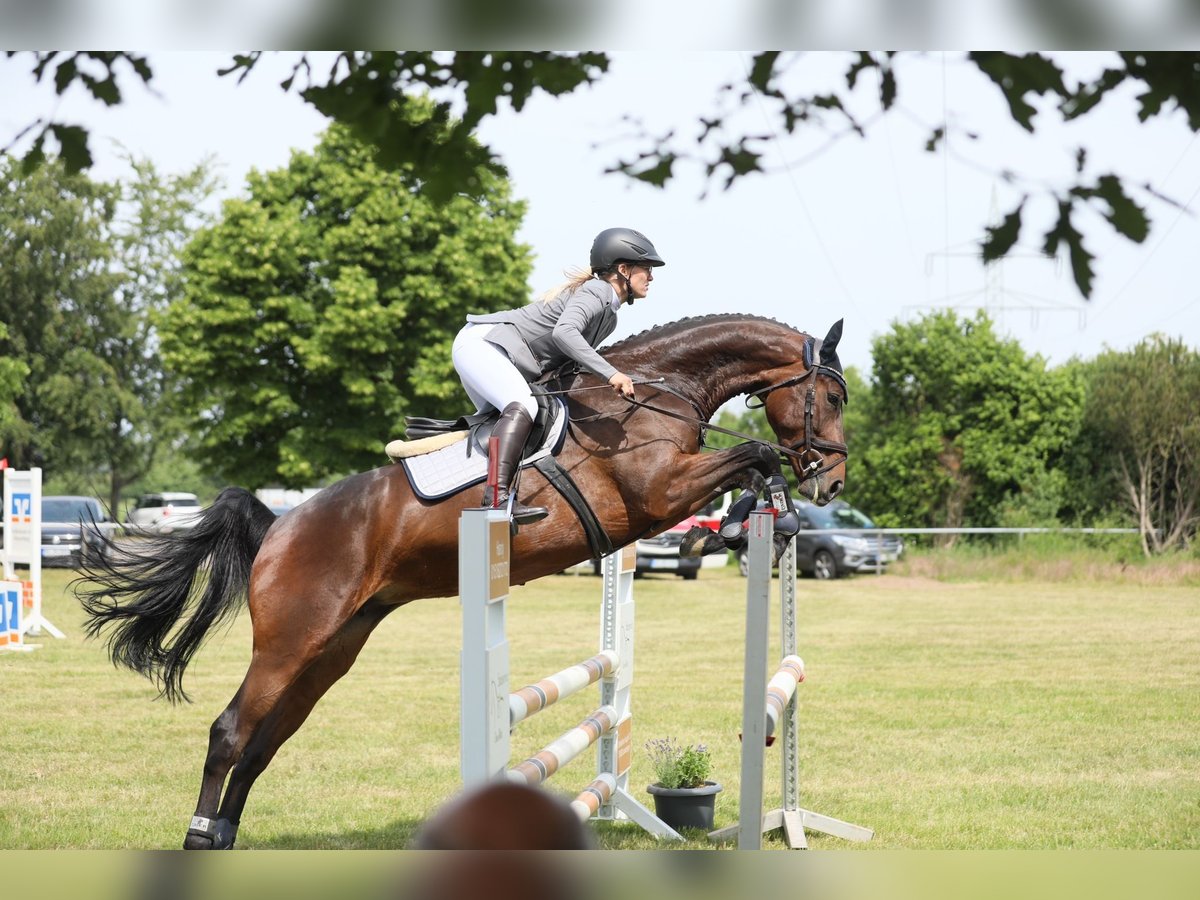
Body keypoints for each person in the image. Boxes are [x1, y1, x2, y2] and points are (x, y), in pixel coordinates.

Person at [452, 226, 666, 524]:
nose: (652, 276)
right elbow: (564, 333)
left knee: (515, 420)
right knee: (523, 406)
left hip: (497, 351)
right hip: (484, 344)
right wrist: (611, 374)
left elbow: (568, 362)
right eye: (647, 269)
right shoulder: (597, 291)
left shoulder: (610, 316)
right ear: (623, 269)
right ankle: (497, 501)